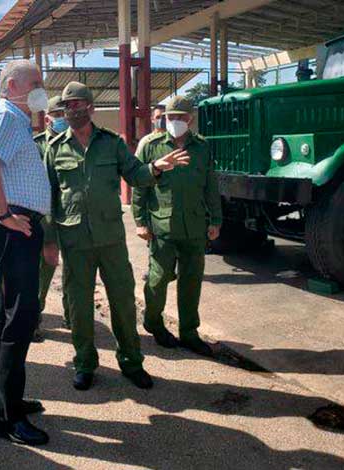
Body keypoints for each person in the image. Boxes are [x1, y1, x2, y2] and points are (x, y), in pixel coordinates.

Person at [44, 81, 189, 392]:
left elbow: (135, 174)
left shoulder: (112, 143)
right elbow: (48, 198)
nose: (71, 110)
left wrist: (157, 168)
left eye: (77, 104)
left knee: (122, 302)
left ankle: (132, 362)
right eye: (66, 106)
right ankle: (84, 363)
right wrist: (49, 240)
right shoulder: (55, 148)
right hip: (74, 241)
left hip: (110, 239)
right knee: (79, 306)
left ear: (90, 107)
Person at [0, 59, 51, 446]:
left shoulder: (18, 121)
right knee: (18, 320)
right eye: (34, 82)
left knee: (5, 320)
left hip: (18, 224)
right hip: (13, 225)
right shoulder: (5, 116)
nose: (41, 87)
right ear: (10, 88)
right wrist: (4, 215)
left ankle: (2, 402)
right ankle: (8, 417)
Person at [132, 96, 222, 355]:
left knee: (191, 282)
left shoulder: (202, 147)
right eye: (171, 117)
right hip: (162, 227)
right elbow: (139, 185)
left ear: (190, 119)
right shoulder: (151, 146)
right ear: (164, 118)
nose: (175, 122)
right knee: (158, 280)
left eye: (181, 117)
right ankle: (153, 322)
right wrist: (139, 221)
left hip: (194, 227)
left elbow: (210, 186)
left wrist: (216, 220)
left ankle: (189, 333)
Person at [32, 95, 68, 342]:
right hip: (46, 220)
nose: (62, 119)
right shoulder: (36, 146)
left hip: (74, 219)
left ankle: (73, 315)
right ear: (47, 119)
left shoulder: (76, 141)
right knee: (42, 272)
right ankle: (34, 319)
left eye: (65, 115)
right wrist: (48, 235)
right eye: (57, 116)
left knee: (75, 273)